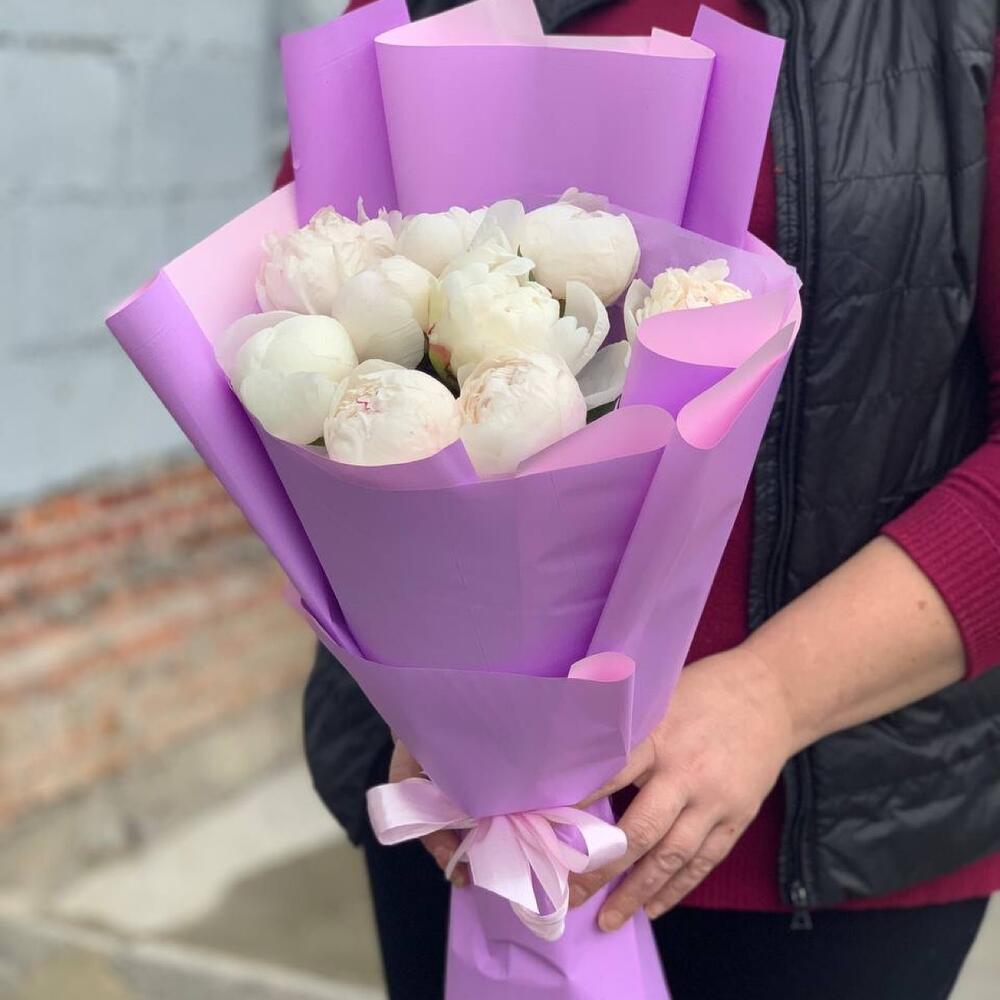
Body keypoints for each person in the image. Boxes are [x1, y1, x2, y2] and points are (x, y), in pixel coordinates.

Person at [283, 1, 1000, 997]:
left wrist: (773, 694)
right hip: (456, 808)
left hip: (830, 847)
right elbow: (304, 328)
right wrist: (430, 683)